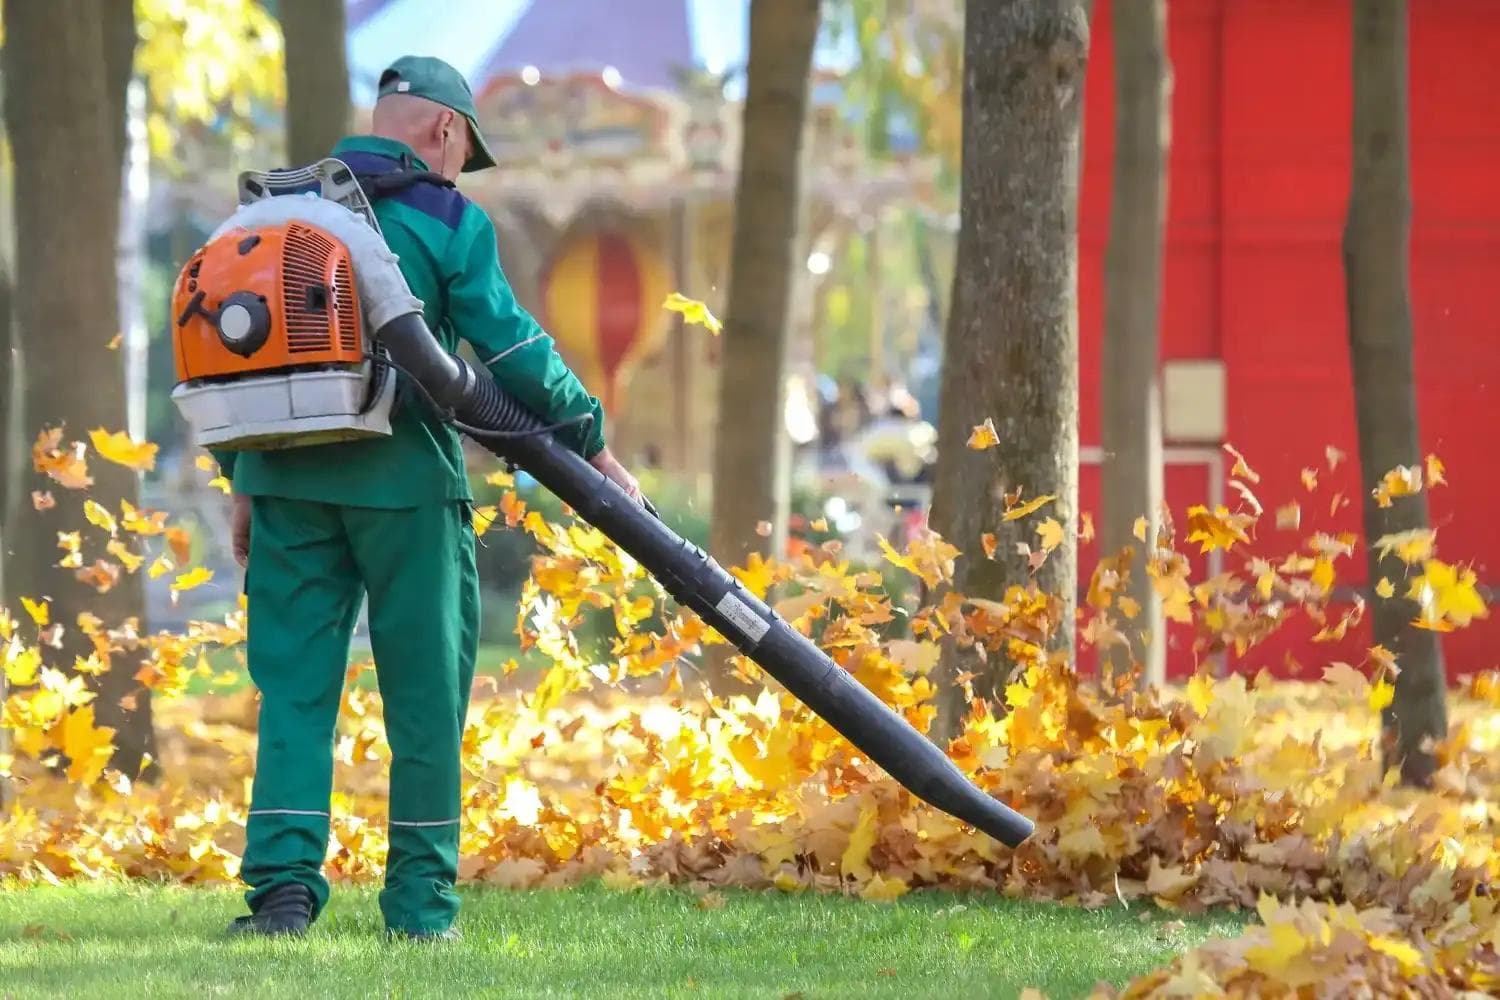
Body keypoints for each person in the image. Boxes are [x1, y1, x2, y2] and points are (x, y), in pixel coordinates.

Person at [217, 55, 640, 941]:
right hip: (406, 487)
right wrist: (592, 443)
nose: (459, 169)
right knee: (424, 700)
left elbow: (228, 358)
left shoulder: (271, 215)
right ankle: (418, 907)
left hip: (286, 485)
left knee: (293, 694)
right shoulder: (446, 217)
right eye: (463, 151)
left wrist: (242, 480)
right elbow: (513, 353)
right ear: (446, 131)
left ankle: (283, 896)